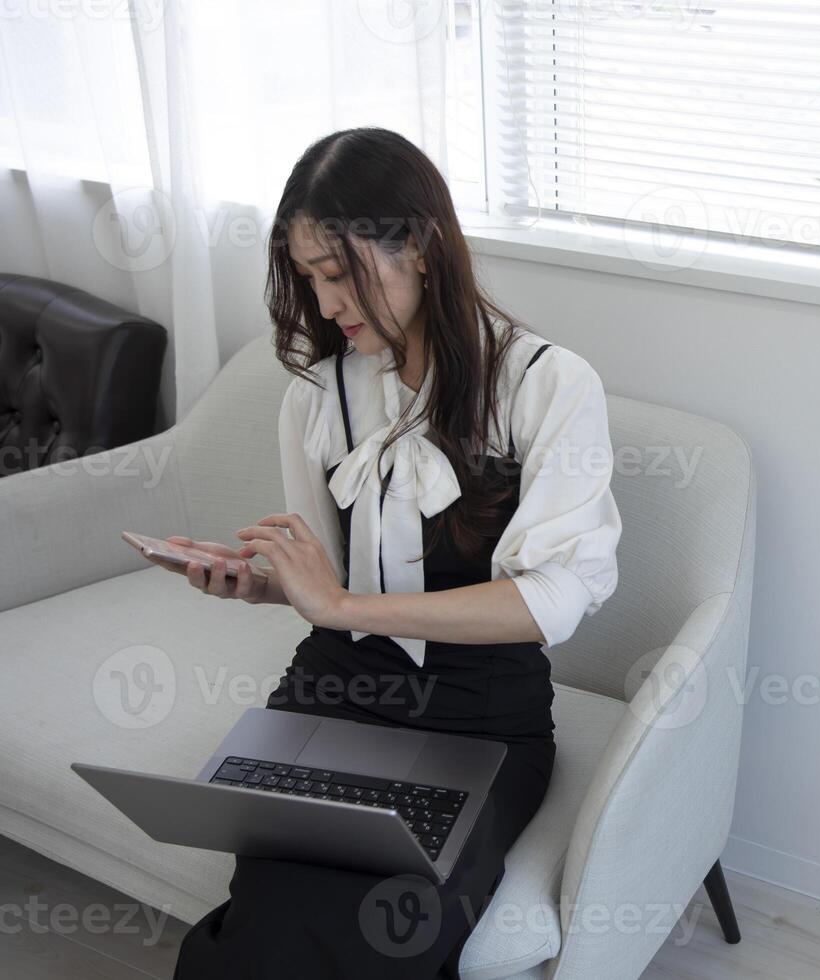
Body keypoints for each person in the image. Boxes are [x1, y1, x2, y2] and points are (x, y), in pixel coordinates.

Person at [157, 127, 621, 979]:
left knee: (389, 931)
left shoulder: (548, 386)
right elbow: (330, 585)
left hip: (477, 715)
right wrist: (262, 584)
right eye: (309, 279)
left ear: (422, 245)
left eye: (338, 273)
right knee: (269, 923)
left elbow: (550, 599)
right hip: (334, 689)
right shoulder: (319, 395)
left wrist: (340, 608)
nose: (326, 303)